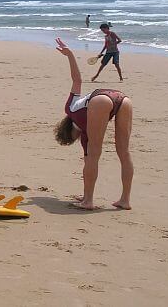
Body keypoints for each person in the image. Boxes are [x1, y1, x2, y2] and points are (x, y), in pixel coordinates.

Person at [54, 37, 133, 210]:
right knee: (124, 152)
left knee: (93, 154)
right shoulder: (71, 108)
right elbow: (77, 81)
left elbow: (77, 80)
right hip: (122, 98)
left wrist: (70, 56)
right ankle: (125, 200)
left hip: (100, 100)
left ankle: (88, 200)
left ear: (69, 132)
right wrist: (70, 55)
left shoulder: (73, 114)